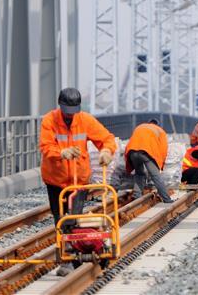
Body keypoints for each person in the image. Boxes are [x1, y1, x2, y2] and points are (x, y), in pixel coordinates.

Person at [39, 88, 116, 275]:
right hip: (56, 180)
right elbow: (45, 146)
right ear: (60, 106)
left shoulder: (85, 120)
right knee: (61, 220)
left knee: (73, 219)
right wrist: (61, 153)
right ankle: (66, 257)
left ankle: (71, 258)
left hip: (79, 180)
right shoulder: (49, 120)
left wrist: (106, 151)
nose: (70, 115)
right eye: (67, 111)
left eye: (73, 111)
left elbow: (107, 139)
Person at [124, 119, 174, 203]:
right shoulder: (160, 130)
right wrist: (160, 166)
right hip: (146, 152)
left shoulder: (140, 127)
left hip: (132, 151)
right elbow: (163, 149)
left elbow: (131, 141)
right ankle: (167, 199)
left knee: (139, 173)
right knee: (156, 176)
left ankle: (137, 196)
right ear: (157, 125)